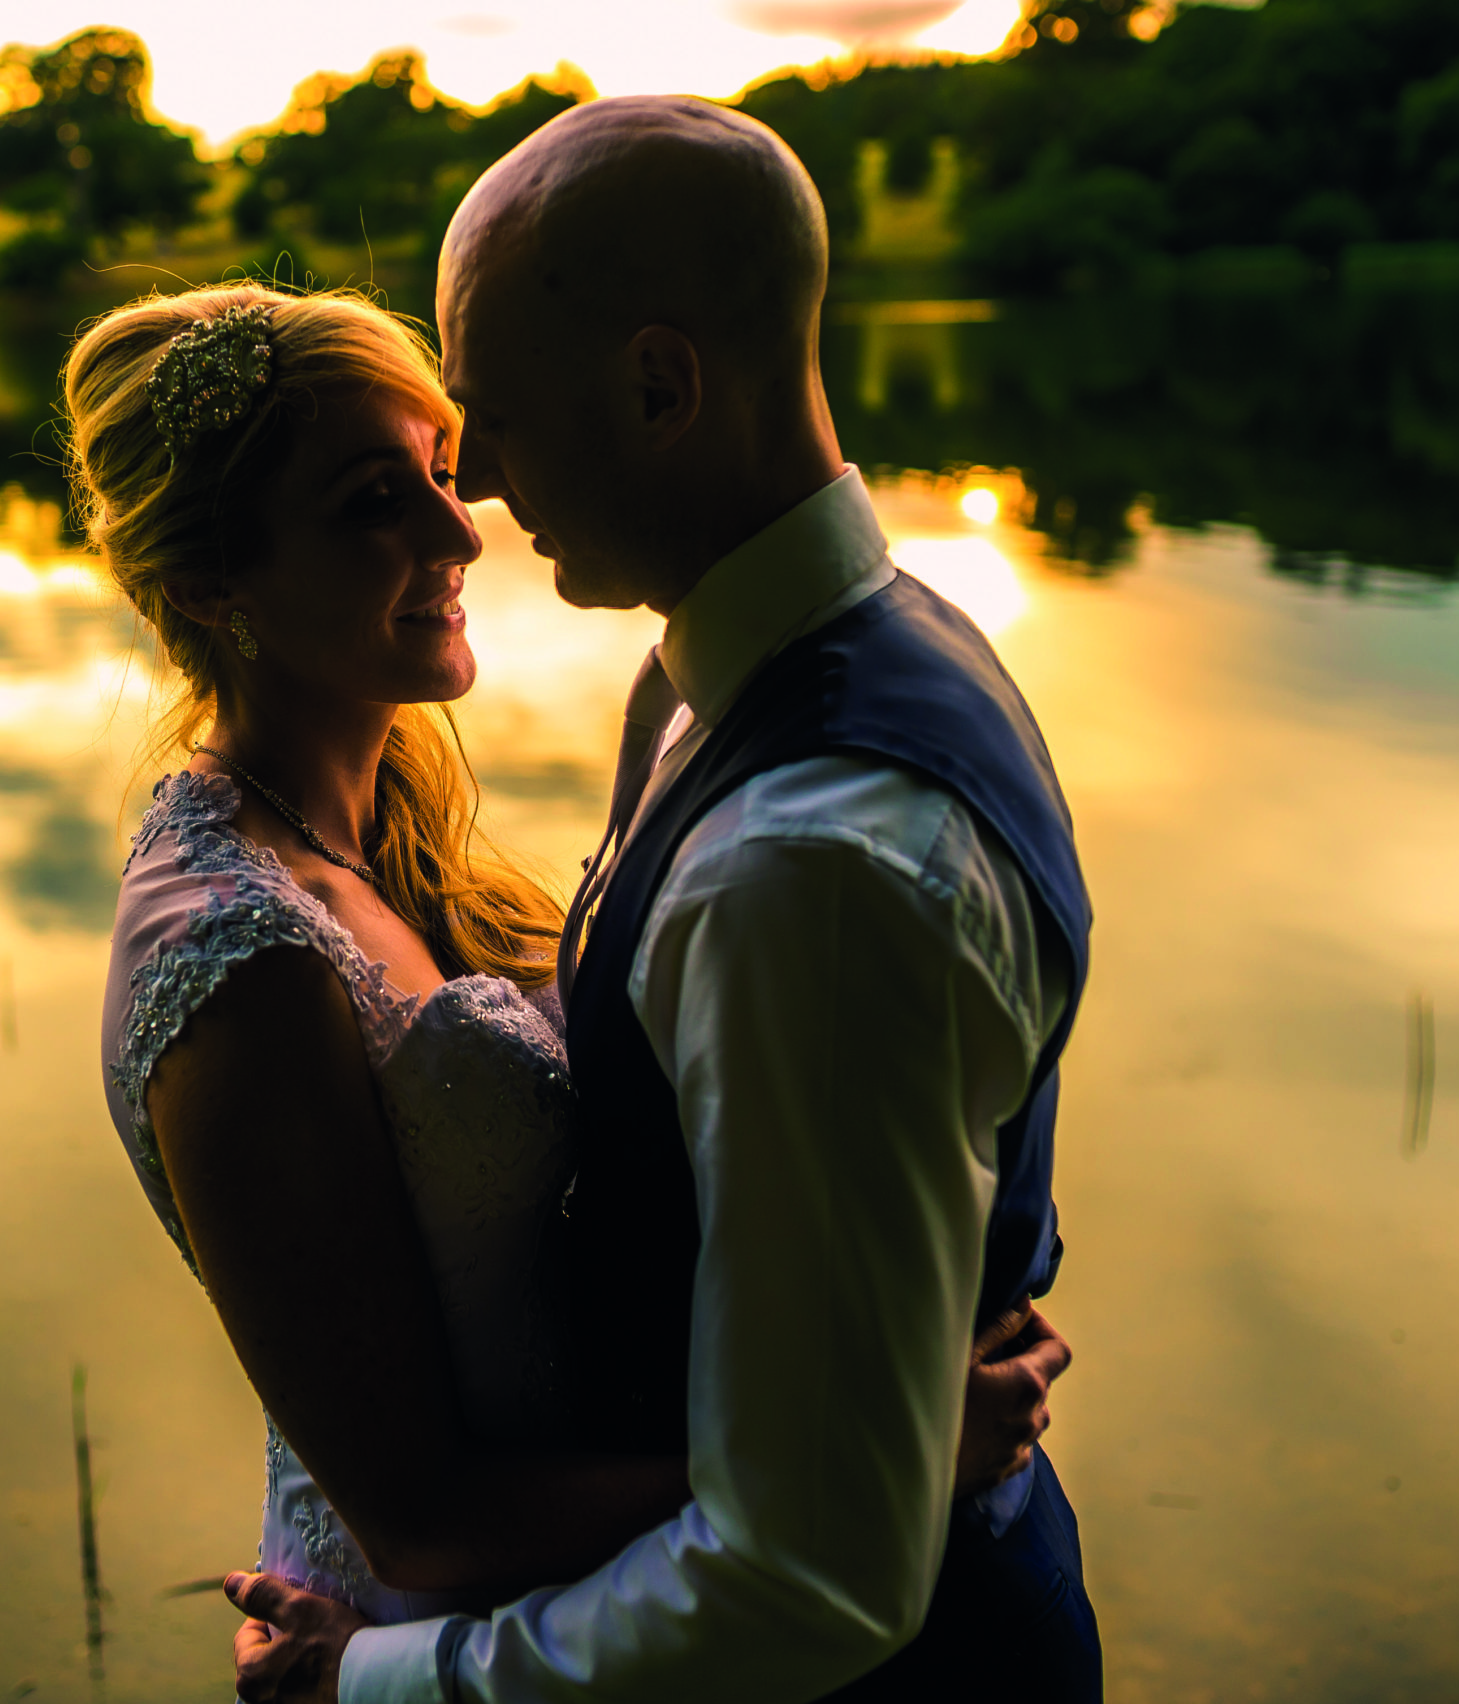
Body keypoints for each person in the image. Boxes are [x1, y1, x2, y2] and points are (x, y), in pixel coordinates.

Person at [225, 98, 1101, 1704]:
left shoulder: (809, 872)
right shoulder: (812, 656)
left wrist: (385, 1682)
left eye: (488, 416)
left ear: (656, 388)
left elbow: (809, 1575)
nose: (471, 485)